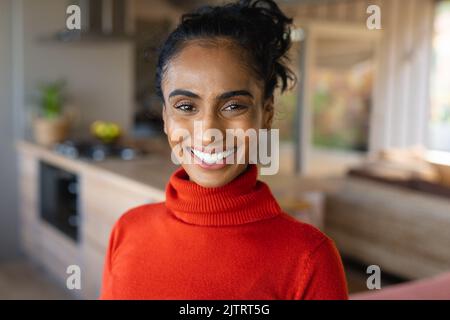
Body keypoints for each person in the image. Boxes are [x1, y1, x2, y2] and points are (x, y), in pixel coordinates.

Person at [100, 0, 348, 300]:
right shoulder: (128, 230)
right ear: (166, 117)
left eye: (233, 106)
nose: (208, 134)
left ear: (266, 113)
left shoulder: (309, 258)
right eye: (186, 107)